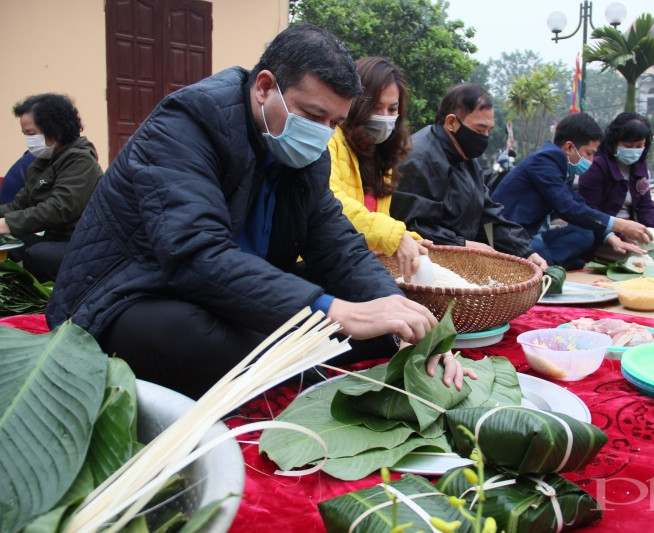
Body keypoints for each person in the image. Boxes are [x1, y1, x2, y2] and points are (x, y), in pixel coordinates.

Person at [46, 24, 472, 399]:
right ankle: (300, 351)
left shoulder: (307, 156)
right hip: (141, 293)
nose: (322, 134)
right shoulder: (184, 125)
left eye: (334, 123)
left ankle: (294, 352)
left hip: (237, 293)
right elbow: (195, 255)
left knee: (373, 313)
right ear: (265, 87)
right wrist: (336, 313)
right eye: (313, 115)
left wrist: (400, 315)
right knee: (190, 338)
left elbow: (340, 248)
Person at [389, 83, 546, 268]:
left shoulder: (465, 157)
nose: (484, 137)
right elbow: (411, 226)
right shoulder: (420, 158)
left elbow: (487, 211)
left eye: (489, 131)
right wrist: (463, 245)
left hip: (457, 261)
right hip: (421, 264)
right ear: (451, 122)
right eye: (479, 130)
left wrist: (525, 251)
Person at [490, 112, 650, 270]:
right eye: (589, 153)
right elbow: (568, 208)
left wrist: (609, 236)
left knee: (585, 234)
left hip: (534, 234)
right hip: (511, 235)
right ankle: (549, 265)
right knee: (538, 252)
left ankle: (549, 264)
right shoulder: (544, 162)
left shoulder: (565, 167)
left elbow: (578, 204)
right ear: (569, 147)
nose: (591, 160)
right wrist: (620, 225)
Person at [327, 57, 429, 279]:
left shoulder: (382, 157)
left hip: (357, 266)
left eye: (392, 109)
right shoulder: (331, 139)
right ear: (355, 104)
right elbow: (330, 203)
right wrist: (395, 237)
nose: (385, 118)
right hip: (320, 265)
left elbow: (374, 224)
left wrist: (409, 239)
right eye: (375, 107)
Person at [0, 94, 103, 281]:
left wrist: (7, 224)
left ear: (54, 130)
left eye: (31, 133)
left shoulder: (81, 160)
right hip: (52, 238)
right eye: (25, 134)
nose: (28, 140)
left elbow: (59, 208)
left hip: (81, 242)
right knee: (9, 242)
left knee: (39, 255)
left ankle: (37, 288)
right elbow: (19, 204)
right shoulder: (41, 163)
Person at [578, 112, 654, 261]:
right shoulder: (596, 165)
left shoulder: (640, 166)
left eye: (639, 146)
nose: (634, 150)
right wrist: (618, 233)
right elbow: (590, 211)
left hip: (632, 232)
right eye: (628, 145)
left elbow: (645, 205)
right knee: (632, 257)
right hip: (602, 233)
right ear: (614, 141)